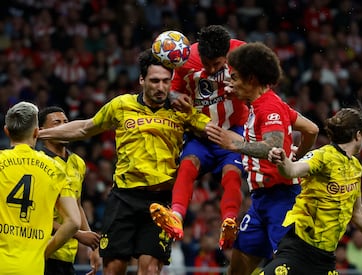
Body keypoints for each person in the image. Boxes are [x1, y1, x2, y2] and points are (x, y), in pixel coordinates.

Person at [38, 49, 211, 275]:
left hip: (161, 201)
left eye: (166, 81)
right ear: (141, 79)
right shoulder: (122, 105)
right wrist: (38, 135)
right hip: (124, 198)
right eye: (155, 81)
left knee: (149, 269)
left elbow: (212, 133)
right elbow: (84, 127)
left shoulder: (182, 111)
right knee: (114, 268)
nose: (161, 87)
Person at [205, 42, 319, 275]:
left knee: (289, 269)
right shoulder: (262, 103)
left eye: (235, 77)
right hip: (260, 202)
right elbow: (312, 129)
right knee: (237, 269)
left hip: (283, 201)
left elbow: (273, 145)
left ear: (252, 78)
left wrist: (234, 143)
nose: (231, 82)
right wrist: (297, 154)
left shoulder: (269, 108)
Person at [260, 107, 362, 274]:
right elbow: (293, 170)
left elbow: (357, 211)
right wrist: (282, 161)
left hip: (325, 258)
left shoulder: (355, 166)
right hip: (299, 249)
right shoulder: (323, 155)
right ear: (358, 135)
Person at [150, 24, 249, 249]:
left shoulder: (243, 54)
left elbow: (266, 79)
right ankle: (176, 217)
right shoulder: (186, 59)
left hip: (232, 130)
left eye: (218, 63)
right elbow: (171, 89)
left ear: (228, 54)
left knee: (232, 174)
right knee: (186, 167)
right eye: (207, 63)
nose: (212, 69)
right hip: (200, 132)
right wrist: (174, 96)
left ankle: (229, 222)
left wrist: (242, 87)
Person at [0, 101, 80, 275]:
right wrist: (44, 253)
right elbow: (74, 222)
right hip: (33, 267)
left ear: (7, 131)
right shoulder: (56, 169)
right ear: (37, 132)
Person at [38, 106, 101, 275]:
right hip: (43, 251)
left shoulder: (77, 162)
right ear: (42, 131)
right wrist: (78, 234)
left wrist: (93, 246)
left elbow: (77, 205)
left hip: (67, 255)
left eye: (66, 122)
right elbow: (37, 215)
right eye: (56, 123)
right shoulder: (38, 163)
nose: (64, 126)